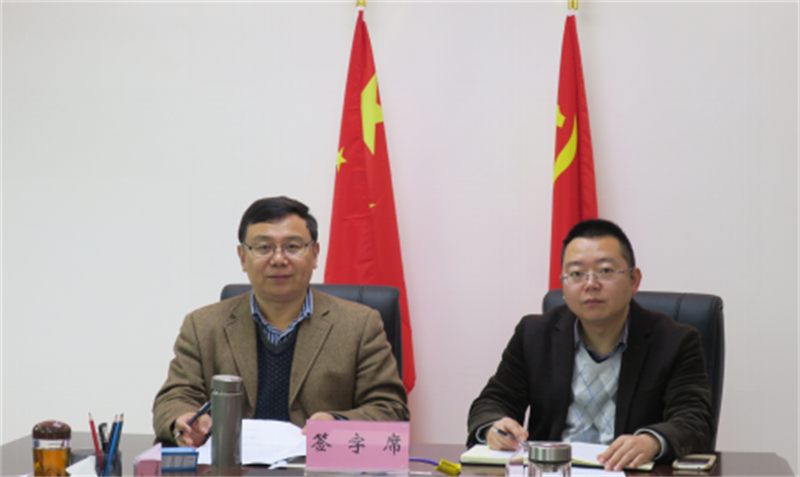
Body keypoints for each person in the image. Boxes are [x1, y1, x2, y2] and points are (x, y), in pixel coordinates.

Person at [153, 196, 409, 446]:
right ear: (242, 257)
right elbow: (174, 398)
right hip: (232, 465)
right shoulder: (203, 325)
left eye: (293, 247)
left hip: (319, 465)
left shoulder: (360, 325)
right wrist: (183, 419)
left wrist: (337, 422)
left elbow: (390, 408)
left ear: (315, 254)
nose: (278, 259)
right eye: (263, 247)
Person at [467, 219, 714, 471]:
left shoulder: (675, 341)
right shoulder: (534, 334)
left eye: (605, 271)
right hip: (553, 471)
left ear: (634, 280)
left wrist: (651, 441)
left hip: (626, 471)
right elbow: (492, 402)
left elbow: (695, 420)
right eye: (576, 274)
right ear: (564, 286)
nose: (590, 284)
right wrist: (493, 427)